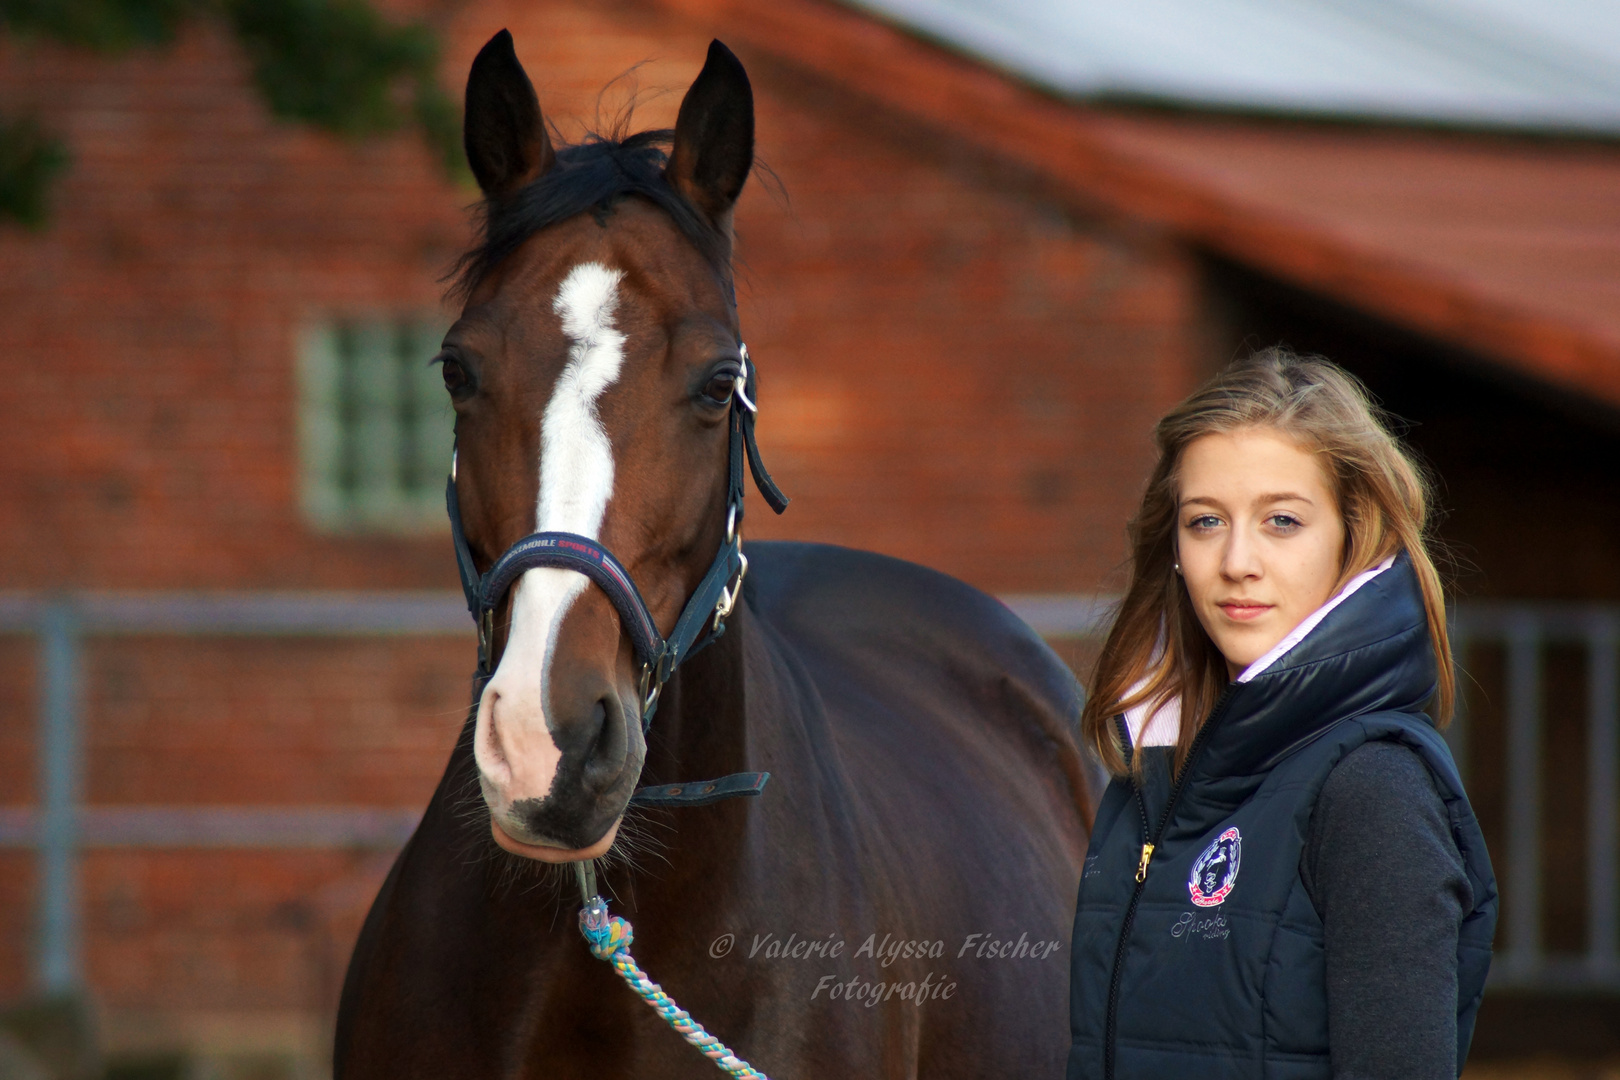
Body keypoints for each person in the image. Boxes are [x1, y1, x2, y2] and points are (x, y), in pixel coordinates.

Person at [1066, 348, 1498, 1080]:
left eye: (1283, 521)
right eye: (1205, 522)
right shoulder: (1148, 771)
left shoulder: (1374, 789)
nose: (1237, 560)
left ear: (1353, 537)